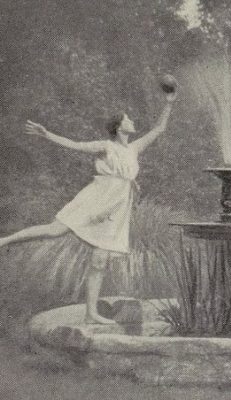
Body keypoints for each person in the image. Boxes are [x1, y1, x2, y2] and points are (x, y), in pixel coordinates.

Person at [0, 88, 177, 324]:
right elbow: (74, 145)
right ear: (119, 126)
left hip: (116, 206)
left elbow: (159, 129)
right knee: (55, 230)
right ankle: (4, 241)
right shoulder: (106, 146)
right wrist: (47, 134)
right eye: (128, 118)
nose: (133, 121)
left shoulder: (134, 148)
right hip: (96, 197)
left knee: (99, 260)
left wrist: (168, 103)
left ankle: (91, 313)